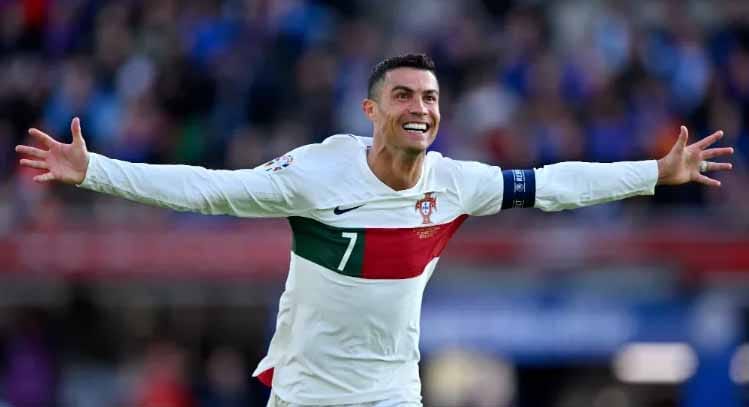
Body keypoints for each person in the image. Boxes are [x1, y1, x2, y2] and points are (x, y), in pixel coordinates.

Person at [15, 54, 733, 407]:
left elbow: (554, 185)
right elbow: (208, 190)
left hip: (391, 391)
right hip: (305, 390)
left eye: (430, 97)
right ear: (371, 110)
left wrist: (653, 172)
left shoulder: (456, 183)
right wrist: (95, 170)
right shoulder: (316, 173)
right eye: (403, 95)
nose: (420, 107)